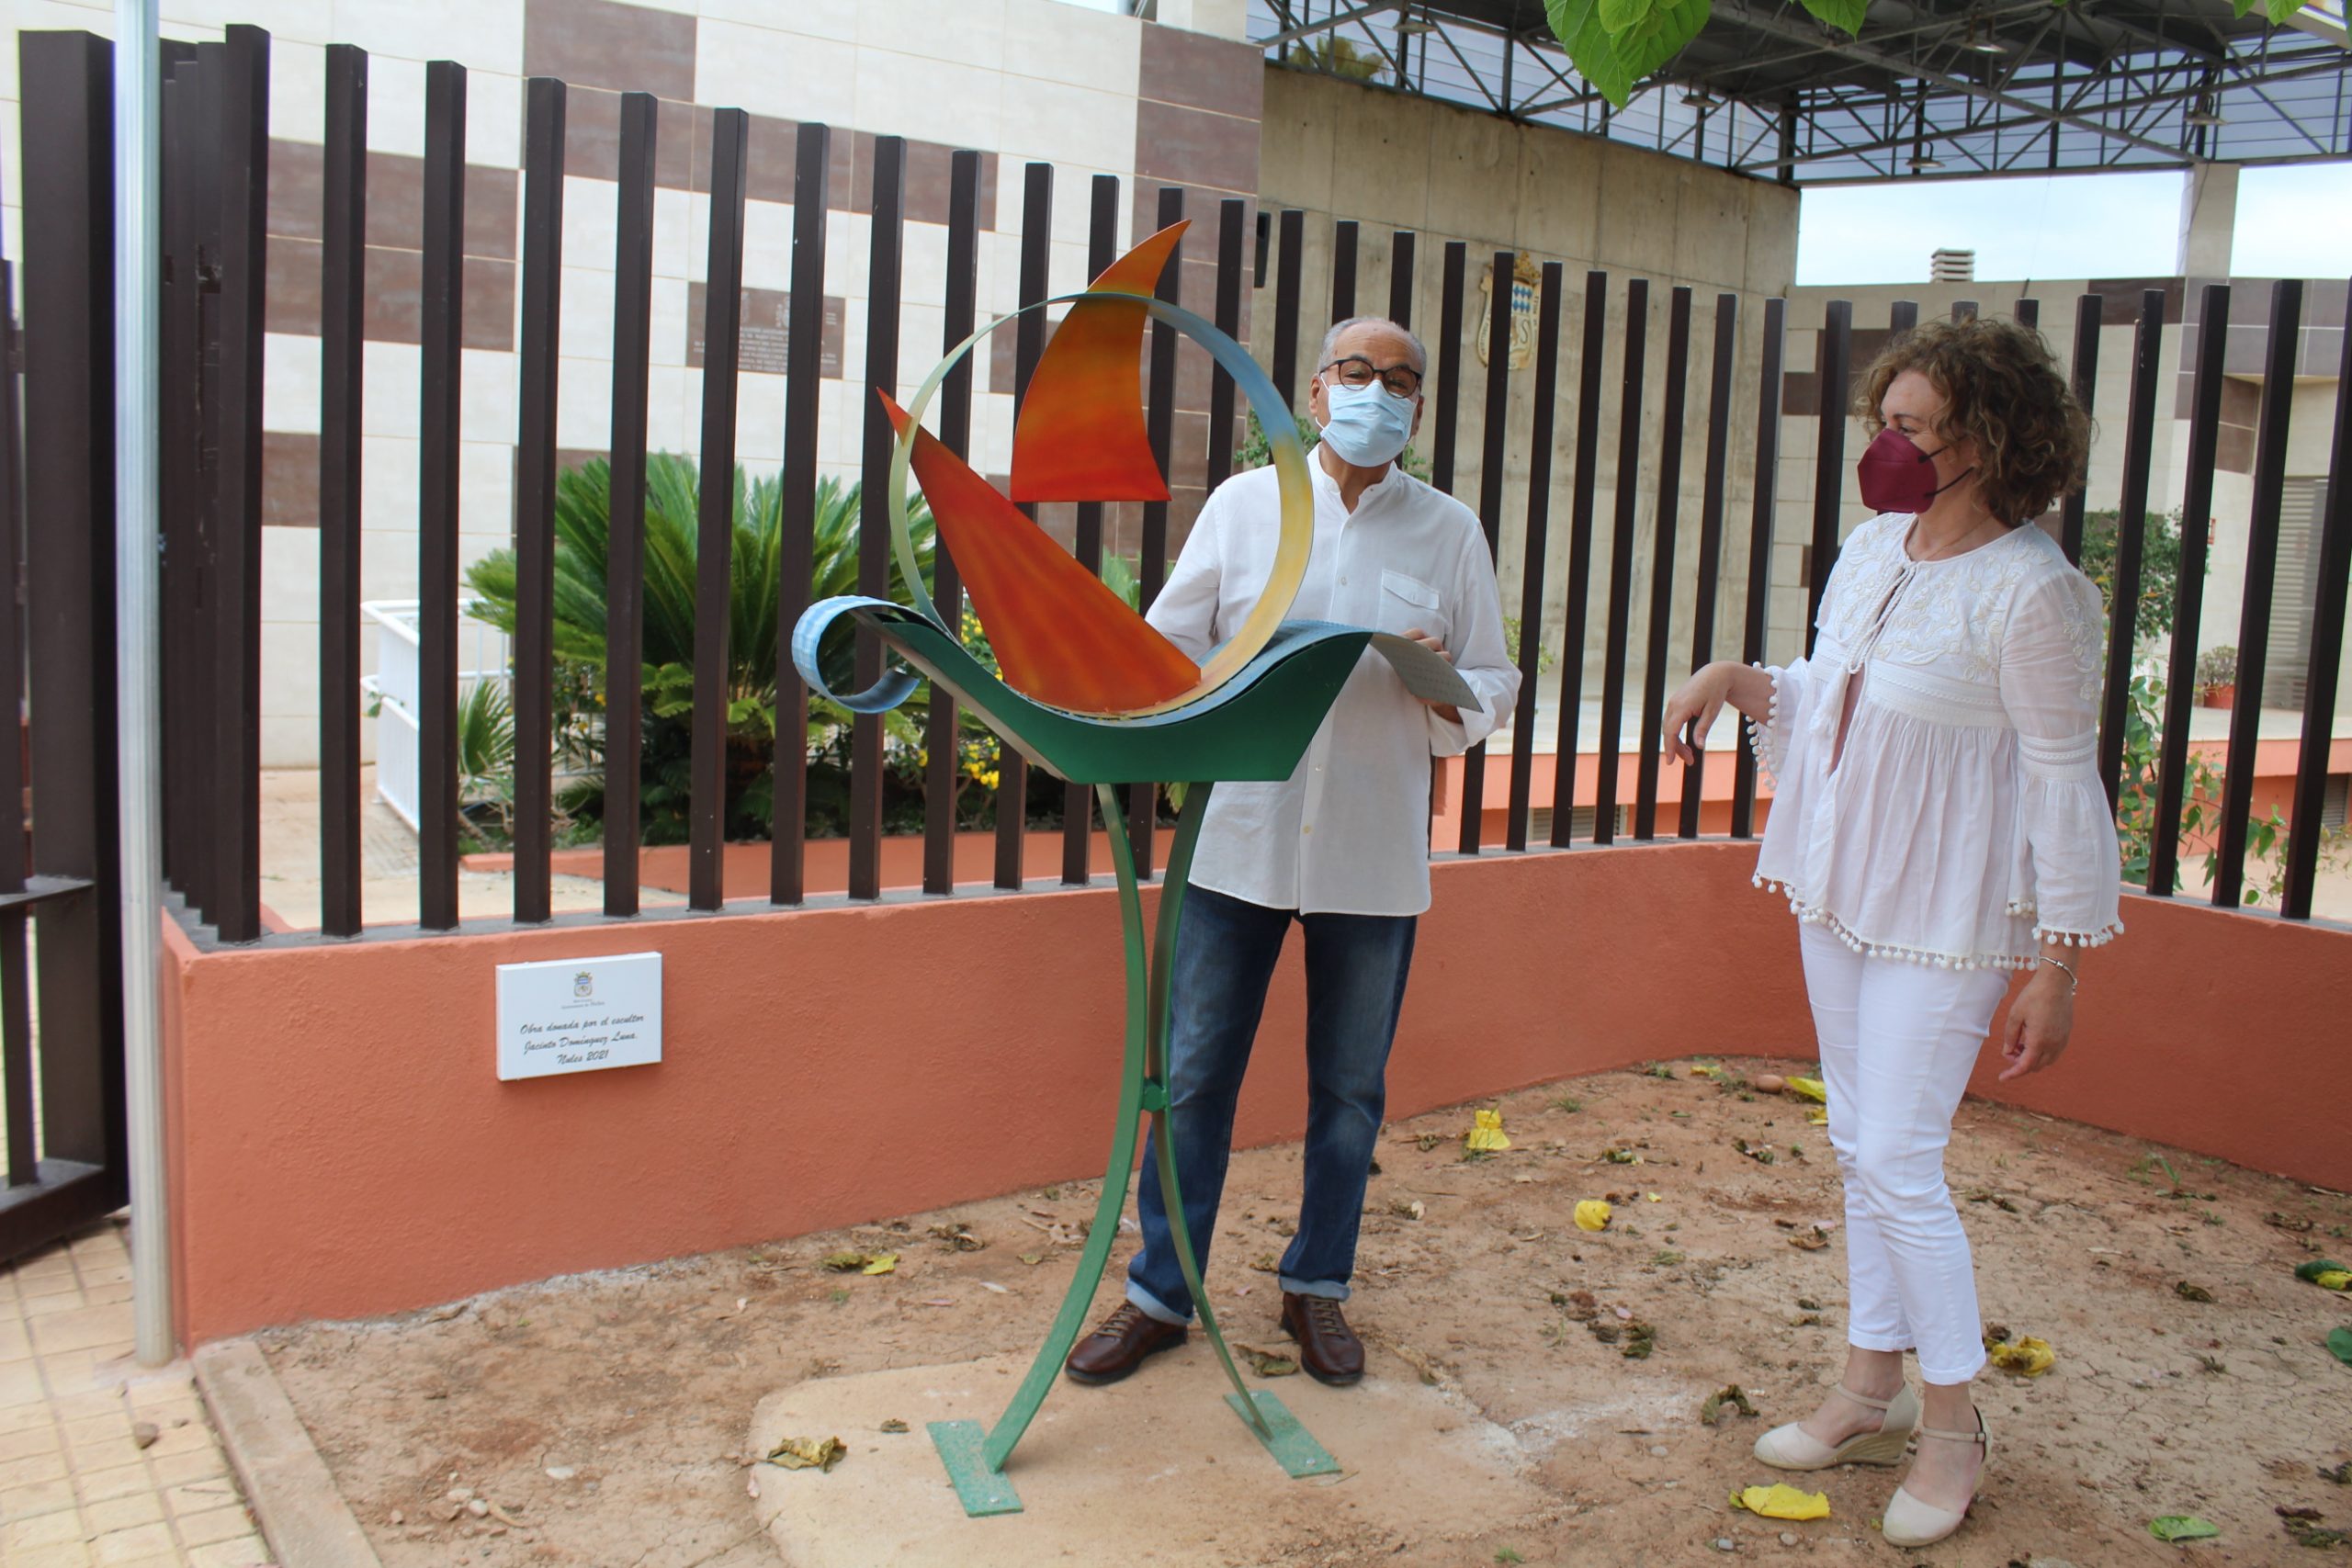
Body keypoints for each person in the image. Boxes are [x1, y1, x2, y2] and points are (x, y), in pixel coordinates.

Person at [1658, 315, 2119, 1549]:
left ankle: (1954, 1422)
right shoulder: (1872, 548)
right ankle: (1869, 1382)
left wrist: (2055, 964)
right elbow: (1835, 693)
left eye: (1913, 428)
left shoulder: (2037, 593)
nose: (1887, 446)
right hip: (1841, 885)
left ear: (1989, 438)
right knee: (1855, 1138)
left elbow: (2067, 779)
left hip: (1954, 913)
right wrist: (1740, 679)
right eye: (1884, 422)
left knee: (1902, 1156)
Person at [1062, 316, 1520, 1388]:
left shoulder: (1447, 531)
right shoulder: (1245, 505)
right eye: (1357, 373)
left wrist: (1435, 681)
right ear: (1316, 393)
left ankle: (1317, 1290)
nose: (1377, 393)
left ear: (1417, 408)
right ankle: (1159, 1298)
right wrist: (1202, 684)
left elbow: (1490, 684)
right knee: (1192, 1077)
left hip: (1370, 851)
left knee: (1350, 1092)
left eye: (1400, 380)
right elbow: (1167, 649)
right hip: (1239, 843)